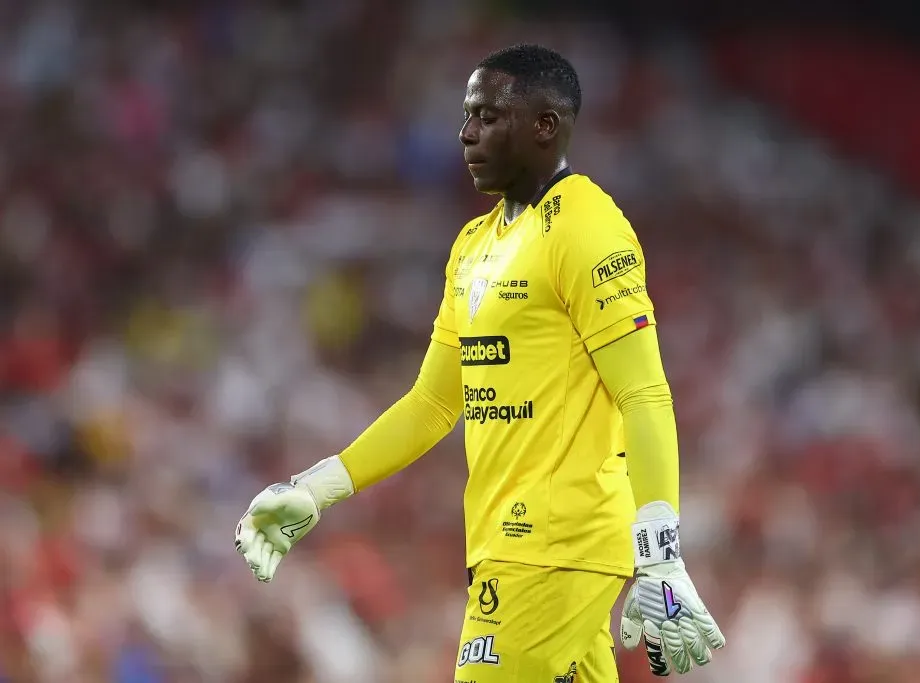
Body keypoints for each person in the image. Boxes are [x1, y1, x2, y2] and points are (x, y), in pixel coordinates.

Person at [234, 44, 725, 681]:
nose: (466, 132)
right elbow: (434, 404)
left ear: (546, 126)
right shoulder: (473, 245)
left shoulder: (586, 225)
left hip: (555, 550)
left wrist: (659, 554)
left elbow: (645, 394)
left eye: (489, 116)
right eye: (467, 115)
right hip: (504, 550)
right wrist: (315, 488)